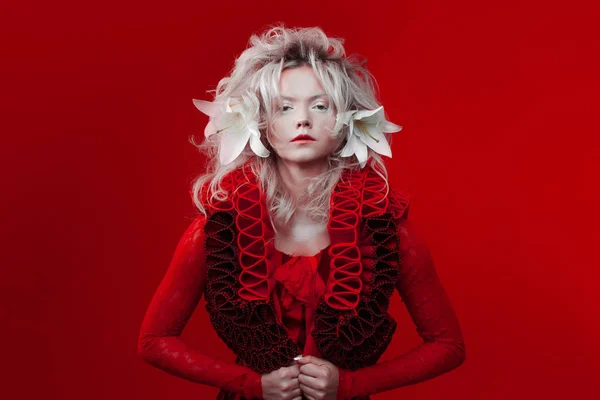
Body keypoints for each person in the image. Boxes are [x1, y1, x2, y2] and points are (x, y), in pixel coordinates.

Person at [137, 25, 466, 400]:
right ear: (259, 123)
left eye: (320, 105)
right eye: (284, 107)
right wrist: (251, 385)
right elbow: (154, 341)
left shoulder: (385, 228)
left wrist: (352, 384)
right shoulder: (220, 228)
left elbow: (448, 345)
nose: (303, 120)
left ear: (346, 124)